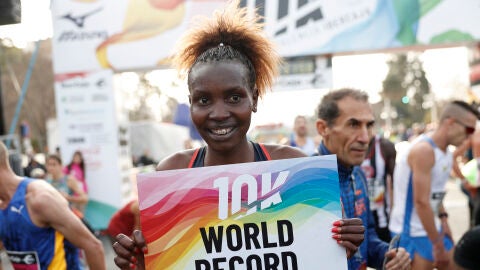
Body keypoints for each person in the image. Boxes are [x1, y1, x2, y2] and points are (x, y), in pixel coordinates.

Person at [113, 2, 365, 269]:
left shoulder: (293, 168)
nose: (219, 113)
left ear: (253, 99)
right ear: (191, 103)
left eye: (234, 97)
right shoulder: (172, 174)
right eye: (203, 100)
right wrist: (142, 263)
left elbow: (317, 257)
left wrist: (340, 246)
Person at [316, 88, 411, 269]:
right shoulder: (304, 183)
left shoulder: (358, 174)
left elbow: (368, 239)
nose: (365, 137)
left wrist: (390, 255)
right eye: (353, 125)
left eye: (368, 125)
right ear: (323, 128)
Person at [389, 100, 479, 270]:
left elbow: (435, 194)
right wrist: (437, 245)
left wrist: (444, 221)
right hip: (410, 234)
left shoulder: (445, 152)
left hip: (431, 228)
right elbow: (421, 202)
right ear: (451, 122)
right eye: (469, 129)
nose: (469, 136)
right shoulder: (424, 150)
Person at [0, 142, 106, 269]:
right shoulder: (4, 205)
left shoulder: (39, 197)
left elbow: (93, 246)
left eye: (53, 164)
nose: (50, 168)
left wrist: (70, 198)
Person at [360, 133, 396, 242]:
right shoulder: (349, 147)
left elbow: (395, 183)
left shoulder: (385, 146)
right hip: (359, 219)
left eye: (368, 125)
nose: (364, 131)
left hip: (382, 220)